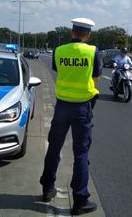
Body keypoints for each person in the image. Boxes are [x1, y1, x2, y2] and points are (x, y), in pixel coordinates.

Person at [39, 17, 101, 215]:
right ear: (88, 34)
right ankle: (80, 200)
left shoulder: (59, 51)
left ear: (72, 31)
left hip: (62, 107)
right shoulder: (92, 51)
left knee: (54, 147)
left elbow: (60, 71)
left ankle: (47, 188)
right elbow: (96, 78)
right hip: (82, 108)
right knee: (81, 153)